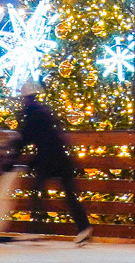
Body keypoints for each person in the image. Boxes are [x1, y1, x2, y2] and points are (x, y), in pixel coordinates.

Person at [13, 81, 92, 243]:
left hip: (49, 160)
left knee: (36, 191)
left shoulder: (33, 115)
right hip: (60, 158)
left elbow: (26, 138)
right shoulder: (43, 112)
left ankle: (37, 229)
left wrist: (16, 158)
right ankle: (84, 227)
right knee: (69, 195)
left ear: (27, 99)